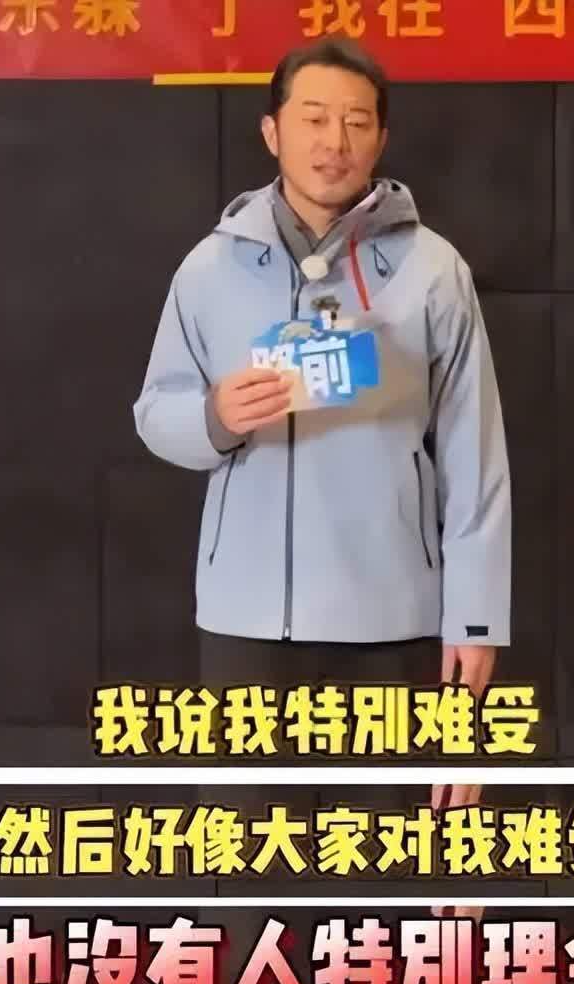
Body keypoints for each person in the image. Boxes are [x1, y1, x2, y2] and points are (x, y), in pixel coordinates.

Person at [134, 36, 511, 810]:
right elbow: (156, 411)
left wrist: (475, 624)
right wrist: (214, 417)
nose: (333, 142)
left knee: (379, 863)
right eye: (312, 118)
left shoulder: (432, 270)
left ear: (381, 138)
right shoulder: (209, 268)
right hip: (246, 623)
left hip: (393, 622)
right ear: (272, 132)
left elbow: (476, 459)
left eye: (355, 122)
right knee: (247, 859)